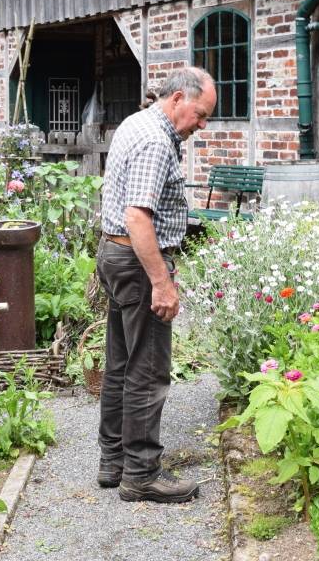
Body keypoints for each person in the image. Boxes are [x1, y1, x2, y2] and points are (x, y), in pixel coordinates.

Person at [96, 66, 216, 503]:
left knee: (120, 364)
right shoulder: (155, 141)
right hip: (136, 260)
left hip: (115, 255)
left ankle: (113, 461)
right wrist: (162, 284)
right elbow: (137, 216)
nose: (201, 126)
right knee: (147, 370)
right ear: (179, 98)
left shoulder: (137, 122)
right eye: (200, 115)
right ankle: (141, 473)